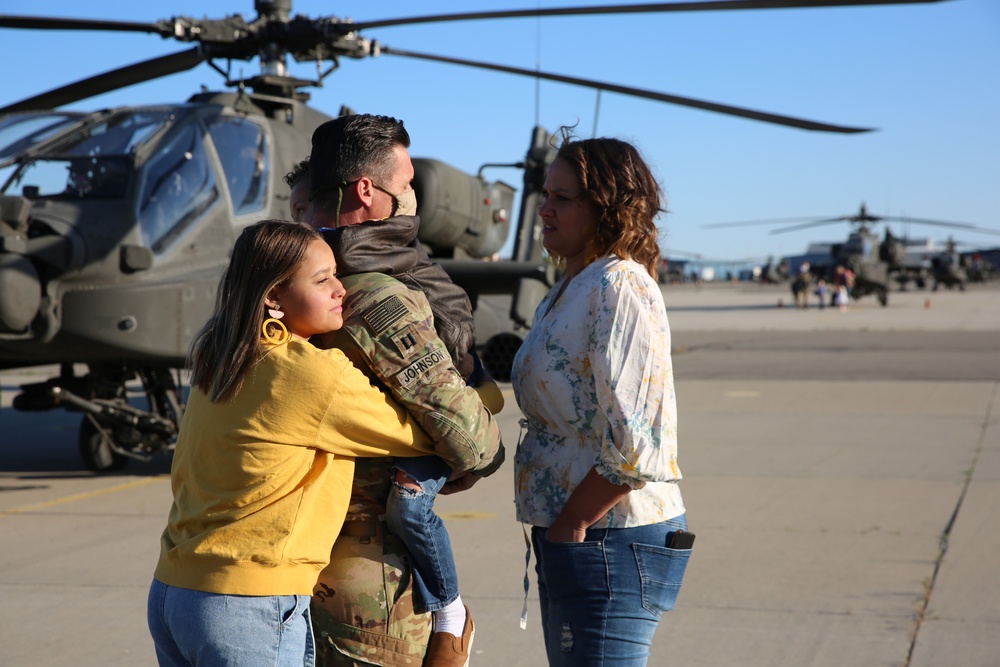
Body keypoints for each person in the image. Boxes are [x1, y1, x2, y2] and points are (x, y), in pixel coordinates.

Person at [147, 220, 442, 667]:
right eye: (322, 280)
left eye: (336, 275)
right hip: (246, 603)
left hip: (174, 592)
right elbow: (427, 432)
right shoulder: (310, 373)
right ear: (272, 297)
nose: (340, 289)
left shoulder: (223, 355)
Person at [304, 114, 503, 666]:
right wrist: (479, 454)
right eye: (405, 184)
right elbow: (471, 439)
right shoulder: (373, 295)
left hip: (292, 567)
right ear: (366, 190)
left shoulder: (276, 290)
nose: (411, 197)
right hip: (370, 588)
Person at [510, 134, 692, 666]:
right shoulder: (570, 285)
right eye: (546, 194)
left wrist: (571, 525)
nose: (544, 209)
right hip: (578, 532)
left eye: (563, 199)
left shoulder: (620, 286)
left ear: (608, 210)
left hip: (610, 537)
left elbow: (641, 444)